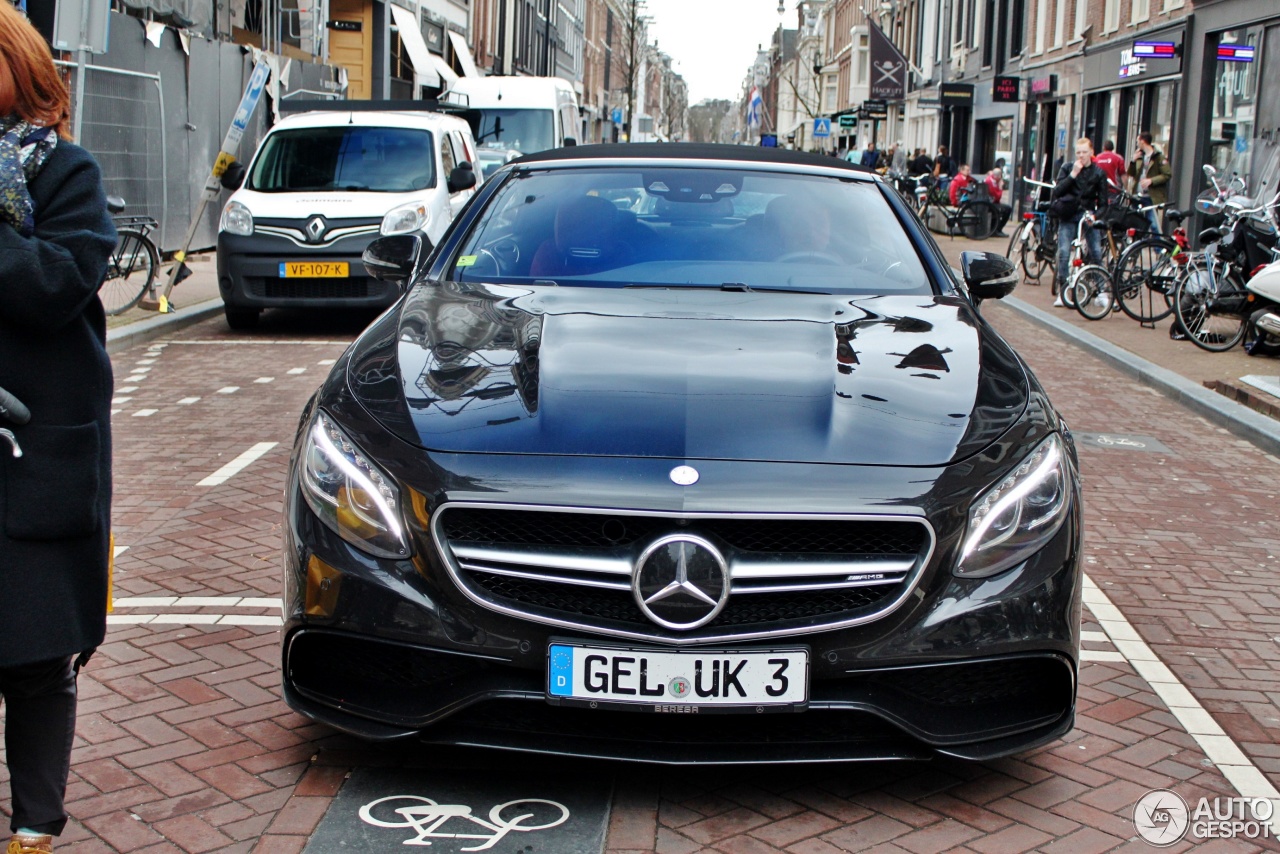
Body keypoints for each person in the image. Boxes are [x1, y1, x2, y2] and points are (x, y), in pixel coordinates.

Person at [0, 4, 117, 852]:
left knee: (38, 660)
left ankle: (37, 825)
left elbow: (57, 284)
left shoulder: (63, 174)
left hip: (36, 455)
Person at [1050, 137, 1107, 307]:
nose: (1081, 156)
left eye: (1084, 152)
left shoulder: (1098, 172)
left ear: (1091, 152)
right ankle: (1064, 291)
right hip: (1068, 215)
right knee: (1064, 252)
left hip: (1087, 217)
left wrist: (1095, 216)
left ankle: (1102, 290)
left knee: (1096, 252)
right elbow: (1057, 192)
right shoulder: (1067, 168)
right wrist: (1073, 175)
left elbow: (1104, 203)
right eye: (1078, 152)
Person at [1126, 132, 1171, 234]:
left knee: (1153, 224)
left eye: (1138, 141)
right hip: (1137, 196)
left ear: (1143, 141)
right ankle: (1137, 248)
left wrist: (1151, 181)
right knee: (1135, 225)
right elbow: (1131, 173)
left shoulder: (1158, 157)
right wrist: (1133, 161)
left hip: (1150, 196)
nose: (1137, 144)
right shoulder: (1140, 156)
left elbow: (1167, 174)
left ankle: (1159, 249)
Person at [985, 161, 1012, 237]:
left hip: (992, 202)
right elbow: (997, 197)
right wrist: (1000, 188)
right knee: (1007, 209)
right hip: (990, 203)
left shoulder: (992, 180)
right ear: (998, 176)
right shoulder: (991, 182)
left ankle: (996, 229)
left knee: (1006, 208)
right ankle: (997, 229)